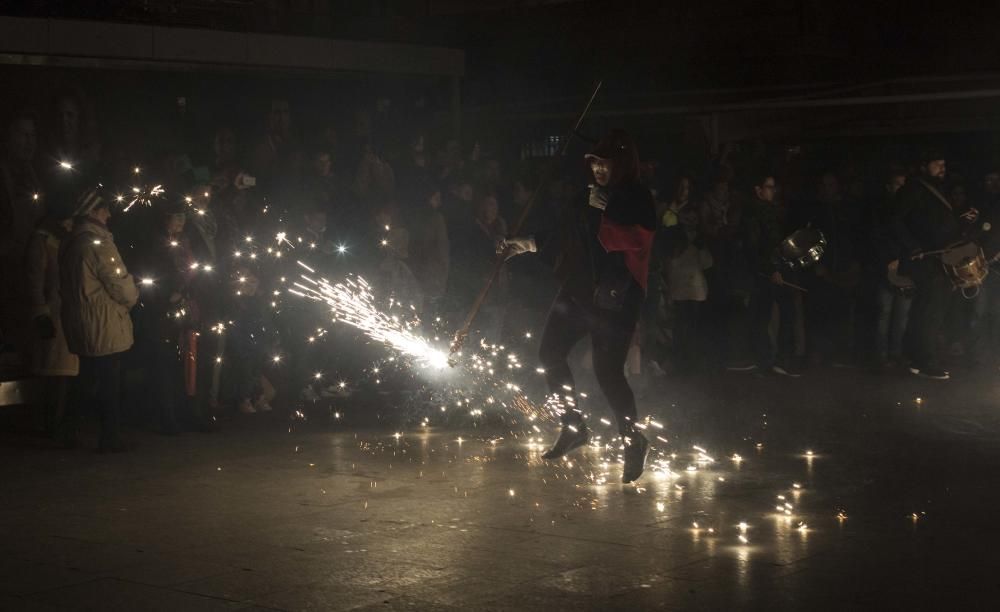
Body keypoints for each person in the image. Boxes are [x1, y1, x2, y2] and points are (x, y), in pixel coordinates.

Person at [500, 128, 656, 483]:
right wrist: (525, 244)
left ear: (622, 164)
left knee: (608, 371)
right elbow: (564, 236)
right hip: (579, 289)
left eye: (606, 164)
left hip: (616, 295)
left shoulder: (636, 195)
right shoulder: (586, 196)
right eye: (596, 163)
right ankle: (573, 427)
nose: (599, 170)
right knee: (549, 354)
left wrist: (612, 208)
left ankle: (634, 441)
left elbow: (640, 238)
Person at [60, 187, 139, 452]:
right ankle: (110, 438)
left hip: (83, 320)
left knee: (85, 379)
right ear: (92, 211)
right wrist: (133, 295)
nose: (108, 213)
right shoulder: (98, 244)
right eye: (103, 208)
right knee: (108, 383)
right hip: (103, 322)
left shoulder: (71, 242)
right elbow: (118, 283)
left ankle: (67, 430)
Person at [893, 150, 960, 380]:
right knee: (928, 312)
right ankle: (923, 361)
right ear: (924, 166)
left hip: (940, 260)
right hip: (926, 262)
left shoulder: (935, 190)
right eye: (937, 163)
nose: (942, 167)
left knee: (929, 310)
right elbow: (894, 220)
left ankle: (917, 357)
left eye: (944, 163)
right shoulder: (913, 189)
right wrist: (913, 247)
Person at [25, 202, 79, 443]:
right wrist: (41, 312)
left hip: (67, 313)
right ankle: (50, 426)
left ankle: (61, 425)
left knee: (64, 373)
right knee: (53, 373)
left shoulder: (63, 240)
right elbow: (34, 280)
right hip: (53, 314)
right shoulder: (42, 241)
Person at [742, 172, 800, 376]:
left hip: (777, 269)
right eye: (769, 187)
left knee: (782, 314)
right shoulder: (755, 214)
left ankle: (776, 358)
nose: (772, 191)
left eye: (773, 187)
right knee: (763, 316)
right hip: (766, 273)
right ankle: (766, 359)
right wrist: (771, 270)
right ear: (758, 190)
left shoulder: (772, 211)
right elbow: (755, 246)